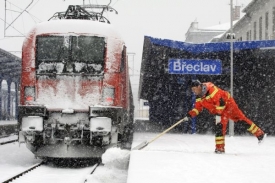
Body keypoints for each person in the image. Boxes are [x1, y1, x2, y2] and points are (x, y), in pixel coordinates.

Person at [184, 80, 266, 154]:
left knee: (241, 120)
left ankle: (260, 134)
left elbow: (221, 102)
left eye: (194, 89)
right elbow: (198, 108)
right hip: (219, 111)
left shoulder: (212, 90)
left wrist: (218, 114)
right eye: (192, 90)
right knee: (219, 127)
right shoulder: (199, 97)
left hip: (229, 105)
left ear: (199, 86)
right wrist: (191, 114)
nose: (194, 92)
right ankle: (219, 149)